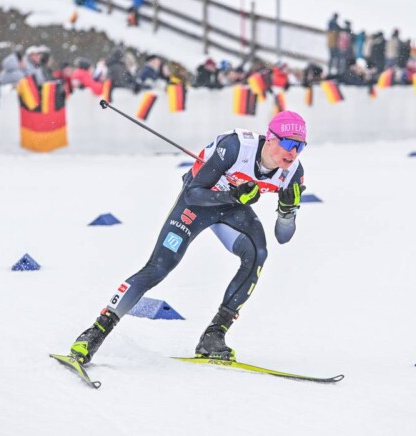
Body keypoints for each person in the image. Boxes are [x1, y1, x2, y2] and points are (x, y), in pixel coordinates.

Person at [67, 111, 309, 365]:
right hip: (198, 203)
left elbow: (284, 237)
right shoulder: (237, 147)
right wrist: (233, 196)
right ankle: (96, 331)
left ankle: (213, 336)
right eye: (289, 143)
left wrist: (287, 212)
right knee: (159, 267)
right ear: (270, 138)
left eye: (300, 146)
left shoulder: (292, 172)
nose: (293, 152)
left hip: (232, 208)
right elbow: (193, 193)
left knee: (258, 254)